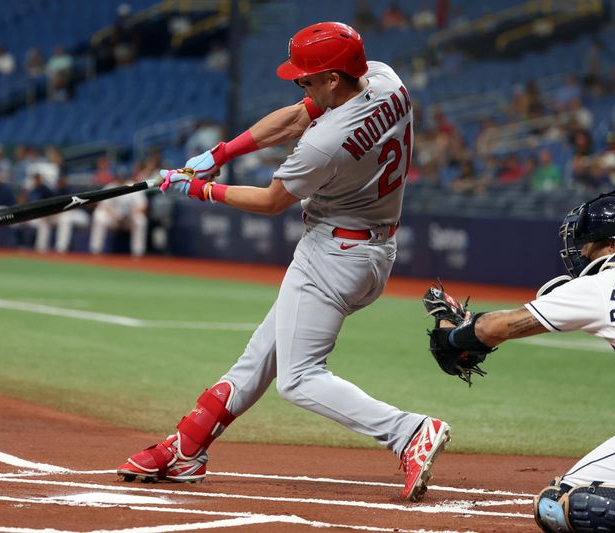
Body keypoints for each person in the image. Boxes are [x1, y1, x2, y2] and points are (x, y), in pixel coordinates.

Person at [115, 21, 450, 502]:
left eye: (308, 78)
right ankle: (187, 448)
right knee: (261, 357)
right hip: (370, 250)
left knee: (298, 380)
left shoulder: (325, 143)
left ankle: (408, 432)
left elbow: (273, 201)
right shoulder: (383, 79)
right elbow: (296, 116)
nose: (301, 85)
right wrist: (220, 153)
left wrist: (201, 188)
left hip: (334, 254)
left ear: (334, 78)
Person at [426, 192, 615, 532]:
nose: (581, 252)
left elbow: (494, 328)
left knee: (563, 503)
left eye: (589, 244)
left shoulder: (605, 284)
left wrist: (452, 335)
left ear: (613, 245)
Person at [89, 170, 147, 257]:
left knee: (140, 220)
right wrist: (112, 216)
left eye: (122, 177)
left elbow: (143, 206)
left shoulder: (133, 185)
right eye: (119, 177)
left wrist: (132, 213)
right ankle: (95, 250)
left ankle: (138, 252)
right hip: (113, 219)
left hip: (129, 219)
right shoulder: (110, 186)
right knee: (99, 215)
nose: (120, 179)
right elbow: (102, 205)